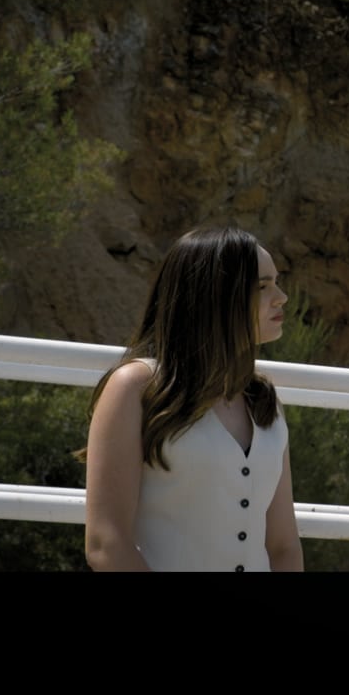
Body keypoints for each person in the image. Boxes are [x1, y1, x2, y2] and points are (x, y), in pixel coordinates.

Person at [83, 225, 303, 571]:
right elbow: (106, 543)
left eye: (277, 282)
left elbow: (283, 546)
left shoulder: (264, 402)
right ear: (214, 295)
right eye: (263, 286)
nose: (281, 297)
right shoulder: (135, 387)